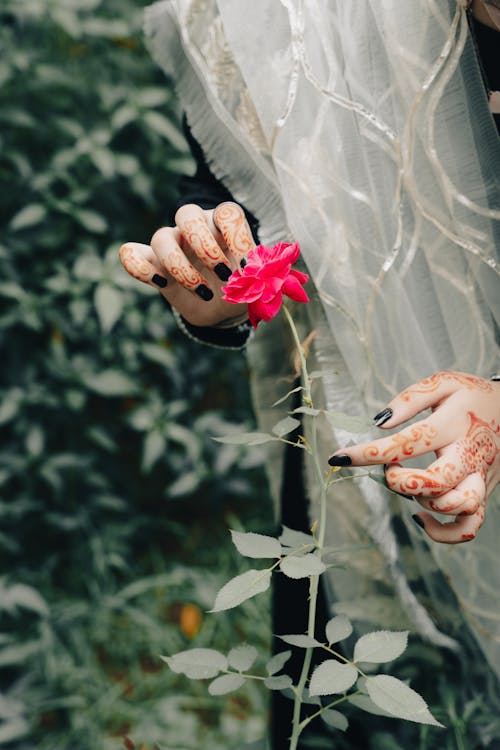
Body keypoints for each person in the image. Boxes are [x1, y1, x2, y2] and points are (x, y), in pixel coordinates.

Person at [119, 0, 500, 745]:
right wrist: (208, 279)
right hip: (367, 446)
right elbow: (241, 195)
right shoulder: (278, 14)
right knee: (358, 707)